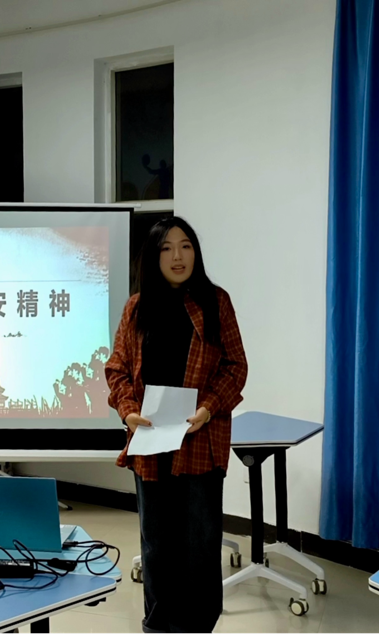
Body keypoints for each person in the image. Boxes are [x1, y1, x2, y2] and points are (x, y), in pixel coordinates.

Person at [105, 217, 248, 634]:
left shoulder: (215, 302)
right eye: (166, 248)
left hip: (199, 440)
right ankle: (157, 626)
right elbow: (117, 369)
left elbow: (235, 366)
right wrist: (128, 411)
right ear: (153, 257)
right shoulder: (137, 307)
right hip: (150, 443)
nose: (178, 256)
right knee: (156, 544)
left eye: (185, 246)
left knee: (199, 545)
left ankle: (196, 627)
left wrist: (208, 408)